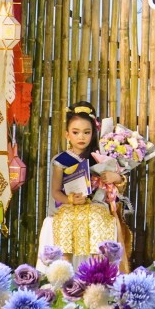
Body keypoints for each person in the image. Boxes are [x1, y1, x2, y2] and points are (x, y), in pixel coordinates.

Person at [50, 101, 123, 260]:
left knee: (97, 216)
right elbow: (55, 191)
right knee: (65, 219)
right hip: (71, 205)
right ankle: (64, 267)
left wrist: (115, 177)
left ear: (93, 133)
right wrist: (70, 199)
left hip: (97, 204)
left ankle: (98, 267)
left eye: (86, 132)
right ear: (67, 134)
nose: (81, 137)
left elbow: (121, 183)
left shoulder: (101, 156)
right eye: (75, 132)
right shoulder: (61, 160)